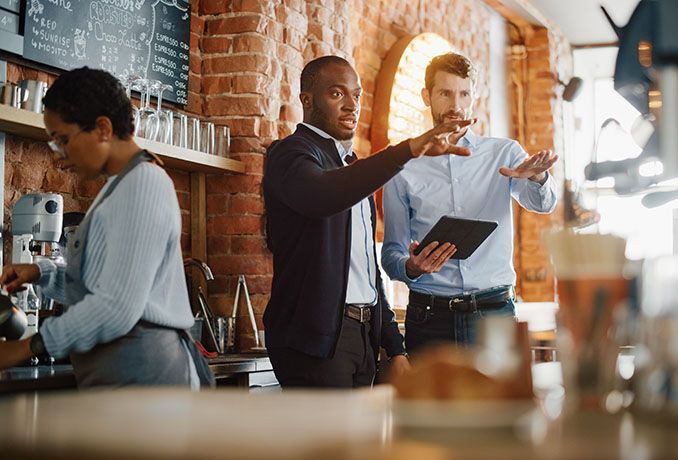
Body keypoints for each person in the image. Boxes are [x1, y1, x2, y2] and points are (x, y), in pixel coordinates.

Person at [263, 55, 475, 388]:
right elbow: (322, 195)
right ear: (307, 99)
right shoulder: (289, 153)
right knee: (333, 441)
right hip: (314, 344)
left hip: (362, 339)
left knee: (362, 440)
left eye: (356, 95)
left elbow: (366, 269)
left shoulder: (350, 165)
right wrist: (405, 151)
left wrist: (394, 345)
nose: (351, 105)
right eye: (336, 94)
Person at [0, 67, 212, 388]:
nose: (59, 156)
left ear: (102, 128)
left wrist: (25, 348)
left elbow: (116, 308)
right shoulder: (118, 187)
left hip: (145, 374)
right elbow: (99, 282)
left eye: (63, 140)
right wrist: (41, 273)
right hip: (121, 372)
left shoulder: (143, 184)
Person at [381, 53, 559, 354]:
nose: (456, 105)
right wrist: (410, 267)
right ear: (427, 96)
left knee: (499, 403)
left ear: (473, 96)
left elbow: (544, 204)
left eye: (464, 94)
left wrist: (539, 177)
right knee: (431, 403)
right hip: (429, 318)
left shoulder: (504, 153)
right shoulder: (404, 164)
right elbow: (391, 255)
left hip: (494, 314)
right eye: (445, 93)